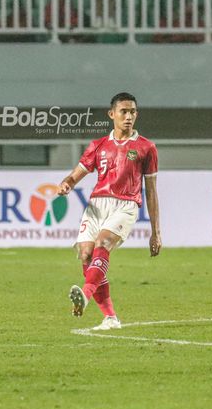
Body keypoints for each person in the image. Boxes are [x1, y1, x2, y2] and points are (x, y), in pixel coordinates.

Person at [57, 92, 161, 330]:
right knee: (86, 254)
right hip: (97, 204)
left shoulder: (146, 148)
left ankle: (84, 295)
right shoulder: (98, 146)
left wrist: (156, 232)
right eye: (123, 111)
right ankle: (110, 318)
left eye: (133, 112)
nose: (128, 116)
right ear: (111, 114)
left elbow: (152, 191)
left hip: (126, 204)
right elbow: (75, 176)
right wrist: (66, 185)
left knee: (103, 244)